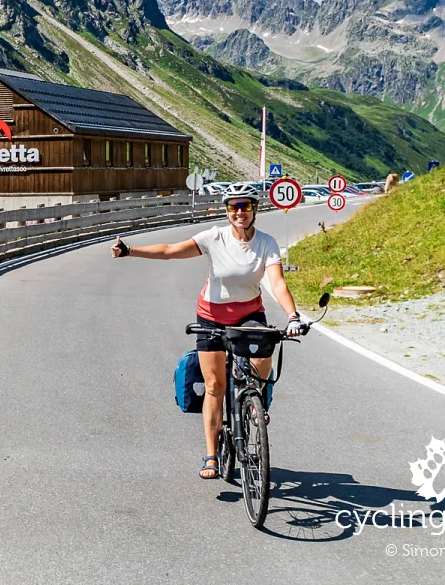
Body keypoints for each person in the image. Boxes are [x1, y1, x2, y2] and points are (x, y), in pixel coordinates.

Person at [111, 186, 306, 480]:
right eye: (233, 207)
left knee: (264, 357)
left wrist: (292, 316)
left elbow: (277, 283)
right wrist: (131, 250)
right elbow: (170, 251)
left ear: (254, 209)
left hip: (250, 315)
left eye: (245, 206)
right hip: (211, 317)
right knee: (215, 386)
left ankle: (256, 401)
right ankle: (212, 455)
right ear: (227, 210)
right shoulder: (213, 238)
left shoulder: (266, 243)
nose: (239, 212)